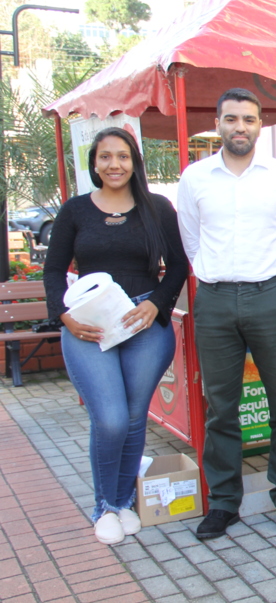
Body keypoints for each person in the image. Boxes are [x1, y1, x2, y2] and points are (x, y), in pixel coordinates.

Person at [177, 88, 276, 539]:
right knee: (221, 408)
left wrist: (270, 280)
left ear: (261, 124)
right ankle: (223, 502)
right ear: (217, 123)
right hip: (214, 301)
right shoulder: (195, 178)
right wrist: (221, 279)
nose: (240, 127)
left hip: (269, 297)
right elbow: (191, 242)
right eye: (231, 118)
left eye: (249, 119)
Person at [44, 127, 188, 545]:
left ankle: (123, 502)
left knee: (133, 416)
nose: (114, 165)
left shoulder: (157, 208)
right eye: (105, 157)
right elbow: (53, 271)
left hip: (142, 322)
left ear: (134, 162)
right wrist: (64, 315)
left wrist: (157, 304)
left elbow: (178, 265)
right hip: (88, 326)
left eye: (123, 156)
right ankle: (105, 506)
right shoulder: (75, 211)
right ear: (93, 163)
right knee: (108, 419)